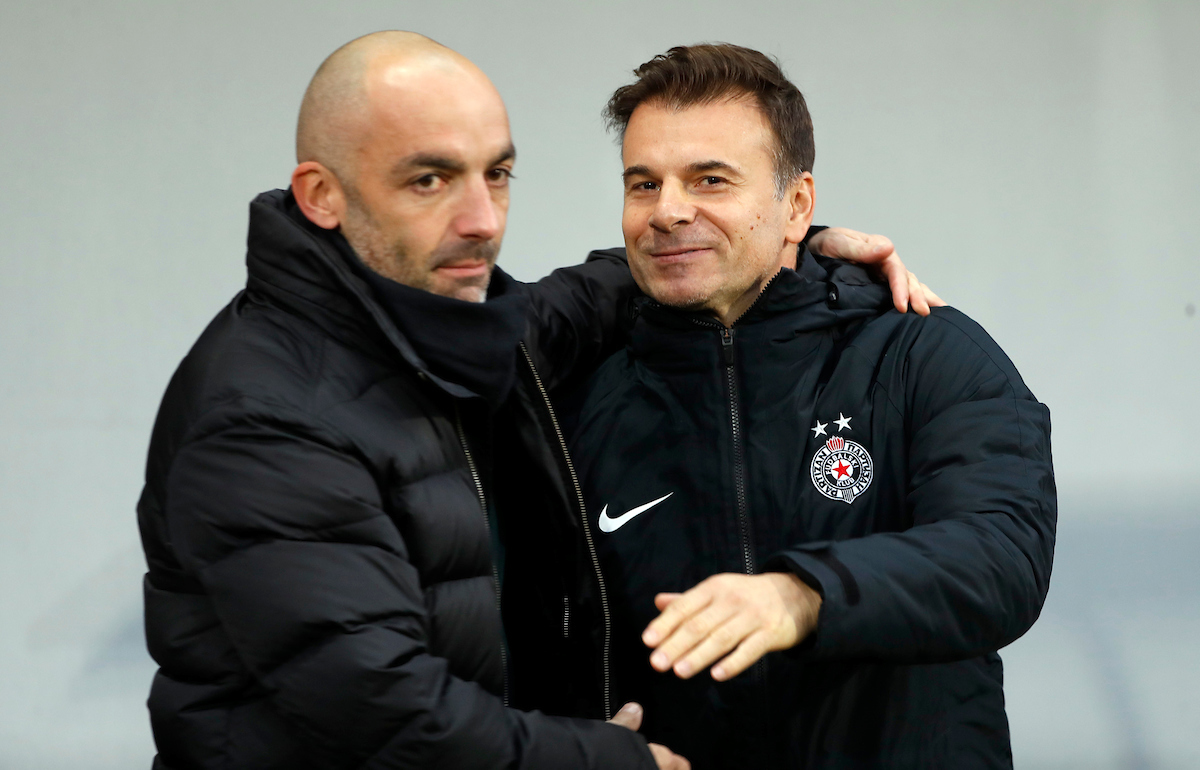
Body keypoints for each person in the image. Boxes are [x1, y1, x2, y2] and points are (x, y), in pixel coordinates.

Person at [136, 32, 936, 770]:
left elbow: (614, 283)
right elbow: (383, 710)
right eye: (428, 179)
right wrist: (609, 761)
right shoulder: (266, 414)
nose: (481, 221)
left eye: (496, 174)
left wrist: (787, 245)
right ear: (321, 195)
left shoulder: (460, 328)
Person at [563, 43, 1055, 769]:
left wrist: (802, 596)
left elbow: (1000, 556)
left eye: (709, 179)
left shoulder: (925, 354)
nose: (667, 211)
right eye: (644, 184)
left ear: (796, 205)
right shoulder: (582, 392)